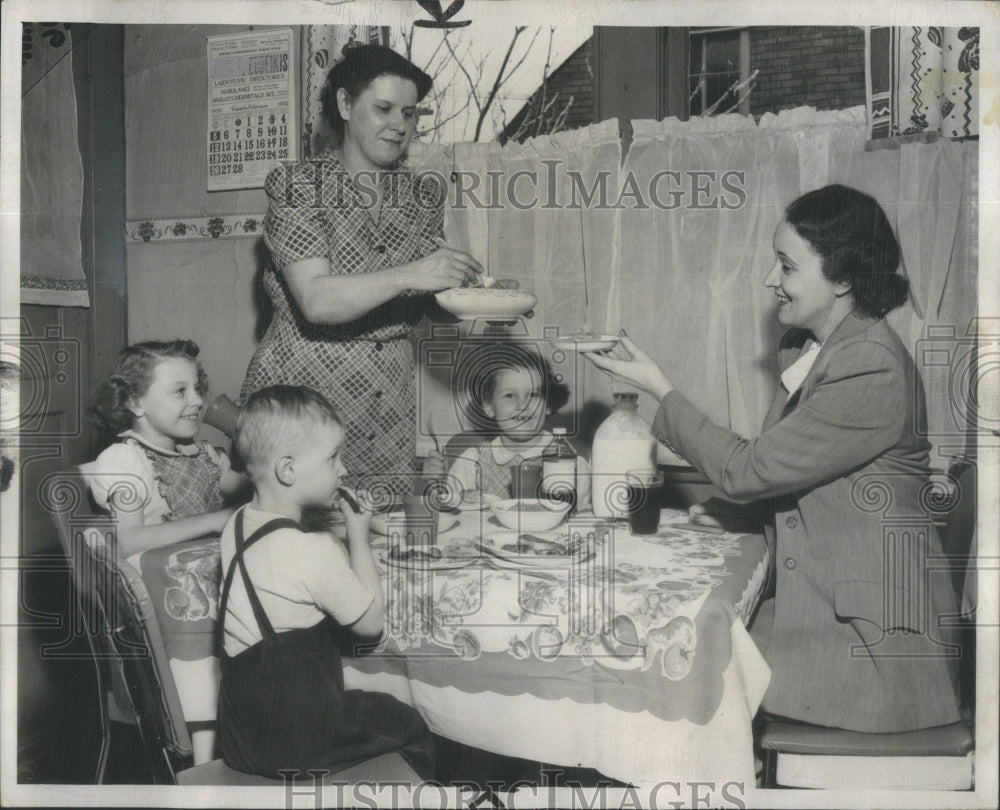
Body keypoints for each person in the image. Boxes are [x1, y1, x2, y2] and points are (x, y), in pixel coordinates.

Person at [586, 184, 961, 733]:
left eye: (786, 266)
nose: (770, 280)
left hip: (873, 652)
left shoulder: (869, 364)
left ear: (843, 280)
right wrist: (733, 514)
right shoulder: (822, 350)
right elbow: (792, 475)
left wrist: (660, 388)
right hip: (838, 614)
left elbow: (750, 469)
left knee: (675, 675)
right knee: (678, 650)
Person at [241, 43, 483, 499]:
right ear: (345, 105)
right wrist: (414, 273)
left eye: (410, 114)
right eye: (384, 108)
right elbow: (316, 300)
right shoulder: (298, 187)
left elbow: (422, 303)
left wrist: (464, 291)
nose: (400, 126)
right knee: (299, 537)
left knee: (381, 537)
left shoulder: (422, 197)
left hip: (388, 397)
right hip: (304, 392)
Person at [216, 385, 434, 779]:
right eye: (333, 457)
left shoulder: (233, 525)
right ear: (288, 470)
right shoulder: (312, 549)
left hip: (241, 739)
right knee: (410, 723)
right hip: (303, 741)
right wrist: (358, 535)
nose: (343, 469)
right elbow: (370, 624)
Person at [87, 339, 247, 763]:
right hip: (163, 617)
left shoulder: (205, 456)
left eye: (199, 389)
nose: (197, 401)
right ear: (136, 402)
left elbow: (250, 492)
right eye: (180, 391)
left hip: (214, 601)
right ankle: (204, 761)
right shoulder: (123, 459)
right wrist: (214, 520)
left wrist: (252, 437)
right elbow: (125, 540)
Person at [440, 345, 592, 507]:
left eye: (533, 394)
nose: (522, 405)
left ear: (548, 404)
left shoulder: (572, 465)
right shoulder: (471, 463)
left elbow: (582, 523)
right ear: (489, 406)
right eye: (510, 395)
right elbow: (453, 516)